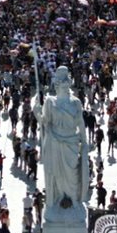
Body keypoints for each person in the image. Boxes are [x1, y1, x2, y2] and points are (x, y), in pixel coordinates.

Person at [33, 66, 90, 223]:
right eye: (60, 85)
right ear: (56, 86)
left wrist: (85, 143)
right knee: (56, 175)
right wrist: (37, 112)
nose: (63, 88)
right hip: (55, 143)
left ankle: (74, 201)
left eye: (65, 85)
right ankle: (58, 200)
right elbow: (45, 122)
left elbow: (81, 123)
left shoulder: (75, 102)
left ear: (69, 85)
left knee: (73, 175)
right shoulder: (50, 102)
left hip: (71, 142)